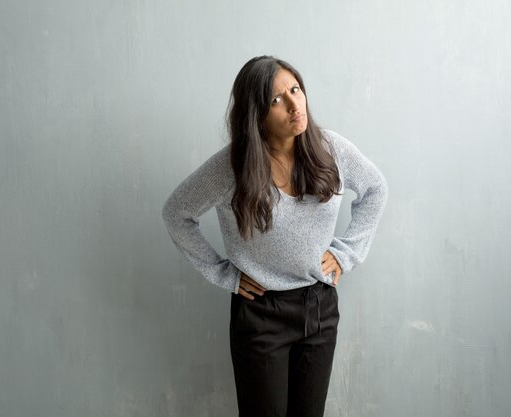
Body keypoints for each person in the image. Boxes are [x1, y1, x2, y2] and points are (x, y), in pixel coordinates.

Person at [161, 55, 388, 417]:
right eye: (276, 100)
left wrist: (346, 253)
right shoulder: (231, 167)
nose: (294, 104)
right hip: (261, 315)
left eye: (295, 89)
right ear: (257, 115)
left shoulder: (330, 148)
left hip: (319, 307)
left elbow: (376, 188)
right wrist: (225, 274)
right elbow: (176, 213)